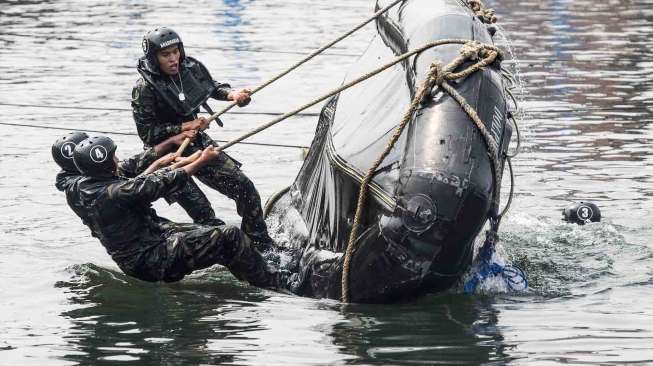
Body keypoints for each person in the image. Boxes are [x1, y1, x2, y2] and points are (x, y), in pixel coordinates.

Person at [65, 134, 284, 287]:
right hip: (153, 260)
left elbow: (139, 183)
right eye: (114, 156)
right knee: (230, 236)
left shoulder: (80, 188)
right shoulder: (112, 192)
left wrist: (177, 162)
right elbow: (152, 185)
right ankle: (274, 283)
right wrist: (201, 161)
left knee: (208, 230)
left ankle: (252, 269)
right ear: (104, 165)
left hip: (143, 251)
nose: (118, 159)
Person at [131, 27, 273, 250]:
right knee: (205, 216)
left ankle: (260, 244)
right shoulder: (144, 89)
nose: (173, 59)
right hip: (167, 157)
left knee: (245, 188)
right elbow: (147, 133)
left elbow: (212, 87)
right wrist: (182, 126)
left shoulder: (190, 67)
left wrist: (232, 95)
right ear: (153, 57)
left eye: (175, 52)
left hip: (196, 144)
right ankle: (229, 255)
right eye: (165, 55)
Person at [52, 130, 208, 223]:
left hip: (138, 221)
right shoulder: (83, 187)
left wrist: (170, 143)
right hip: (134, 232)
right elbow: (134, 189)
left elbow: (129, 166)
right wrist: (195, 162)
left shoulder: (88, 175)